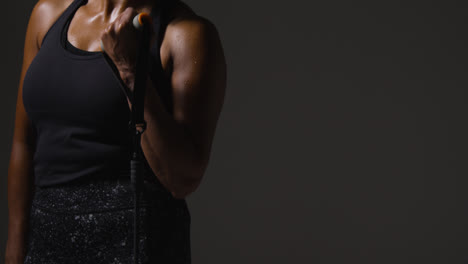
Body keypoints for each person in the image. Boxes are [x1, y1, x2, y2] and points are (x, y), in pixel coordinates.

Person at [5, 0, 226, 262]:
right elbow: (24, 142)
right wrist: (16, 244)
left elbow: (182, 179)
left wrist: (131, 71)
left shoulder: (185, 35)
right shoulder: (47, 14)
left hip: (134, 241)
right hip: (48, 239)